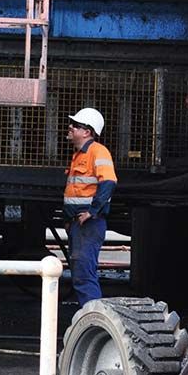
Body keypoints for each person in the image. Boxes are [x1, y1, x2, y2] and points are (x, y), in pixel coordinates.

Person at [63, 107, 117, 306]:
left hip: (89, 224)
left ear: (87, 131)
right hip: (79, 224)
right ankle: (88, 318)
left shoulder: (97, 151)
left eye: (75, 125)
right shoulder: (79, 155)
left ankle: (92, 319)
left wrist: (92, 212)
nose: (70, 127)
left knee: (84, 274)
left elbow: (109, 182)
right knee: (80, 273)